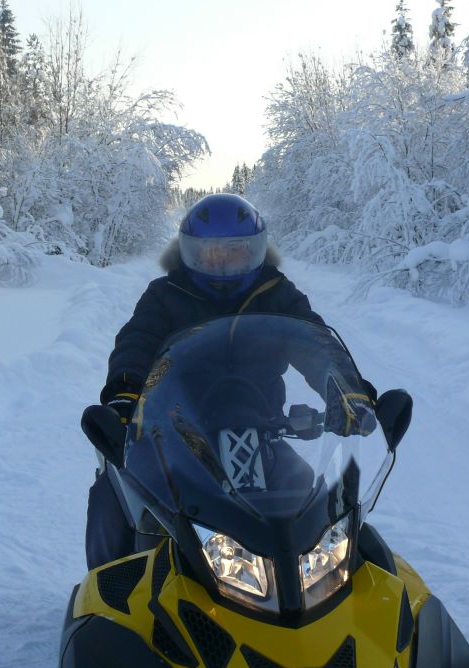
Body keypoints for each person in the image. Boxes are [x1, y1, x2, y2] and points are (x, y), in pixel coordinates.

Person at [84, 193, 378, 569]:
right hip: (173, 430)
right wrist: (125, 397)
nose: (221, 263)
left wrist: (345, 388)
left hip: (261, 428)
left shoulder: (276, 294)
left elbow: (315, 342)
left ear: (255, 251)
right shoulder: (166, 295)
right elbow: (136, 344)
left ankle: (323, 590)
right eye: (210, 253)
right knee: (118, 490)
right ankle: (110, 588)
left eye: (234, 251)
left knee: (316, 507)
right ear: (190, 253)